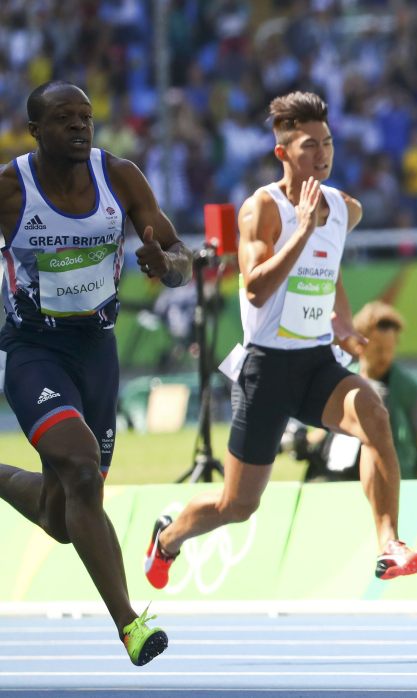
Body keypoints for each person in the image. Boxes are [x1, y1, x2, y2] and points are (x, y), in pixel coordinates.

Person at [143, 91, 417, 589]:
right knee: (238, 504)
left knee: (374, 416)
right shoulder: (263, 209)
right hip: (266, 369)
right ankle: (167, 538)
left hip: (316, 363)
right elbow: (254, 289)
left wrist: (340, 321)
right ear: (282, 153)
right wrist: (301, 230)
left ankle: (388, 543)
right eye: (307, 146)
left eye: (327, 143)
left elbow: (330, 265)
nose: (321, 155)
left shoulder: (344, 208)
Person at [0, 80, 192, 665]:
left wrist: (166, 264)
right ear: (35, 131)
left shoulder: (122, 177)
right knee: (82, 471)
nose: (81, 127)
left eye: (86, 116)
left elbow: (182, 261)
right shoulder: (11, 189)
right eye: (64, 119)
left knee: (64, 516)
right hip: (32, 349)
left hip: (96, 351)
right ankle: (129, 623)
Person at [299, 300, 417, 482]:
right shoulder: (338, 381)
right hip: (337, 481)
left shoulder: (411, 392)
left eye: (390, 349)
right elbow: (325, 431)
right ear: (359, 344)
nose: (385, 356)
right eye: (379, 349)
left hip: (388, 485)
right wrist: (301, 442)